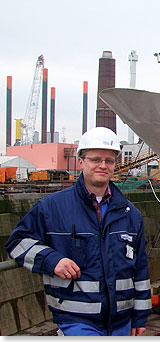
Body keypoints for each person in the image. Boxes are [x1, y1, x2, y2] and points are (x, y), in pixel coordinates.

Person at [5, 127, 152, 336]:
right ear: (81, 162)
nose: (103, 165)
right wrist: (51, 260)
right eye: (95, 159)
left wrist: (139, 316)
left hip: (121, 322)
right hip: (77, 321)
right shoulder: (52, 208)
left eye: (109, 161)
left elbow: (140, 269)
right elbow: (17, 242)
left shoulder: (131, 214)